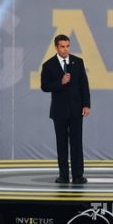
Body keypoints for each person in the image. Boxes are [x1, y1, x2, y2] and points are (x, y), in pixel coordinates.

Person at [40, 34, 91, 184]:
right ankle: (63, 175)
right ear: (56, 47)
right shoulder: (48, 65)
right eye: (62, 46)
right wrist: (60, 82)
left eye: (67, 46)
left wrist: (86, 105)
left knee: (77, 143)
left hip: (76, 111)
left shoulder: (78, 62)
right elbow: (44, 86)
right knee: (61, 144)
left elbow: (84, 85)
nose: (65, 49)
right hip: (59, 111)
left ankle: (78, 175)